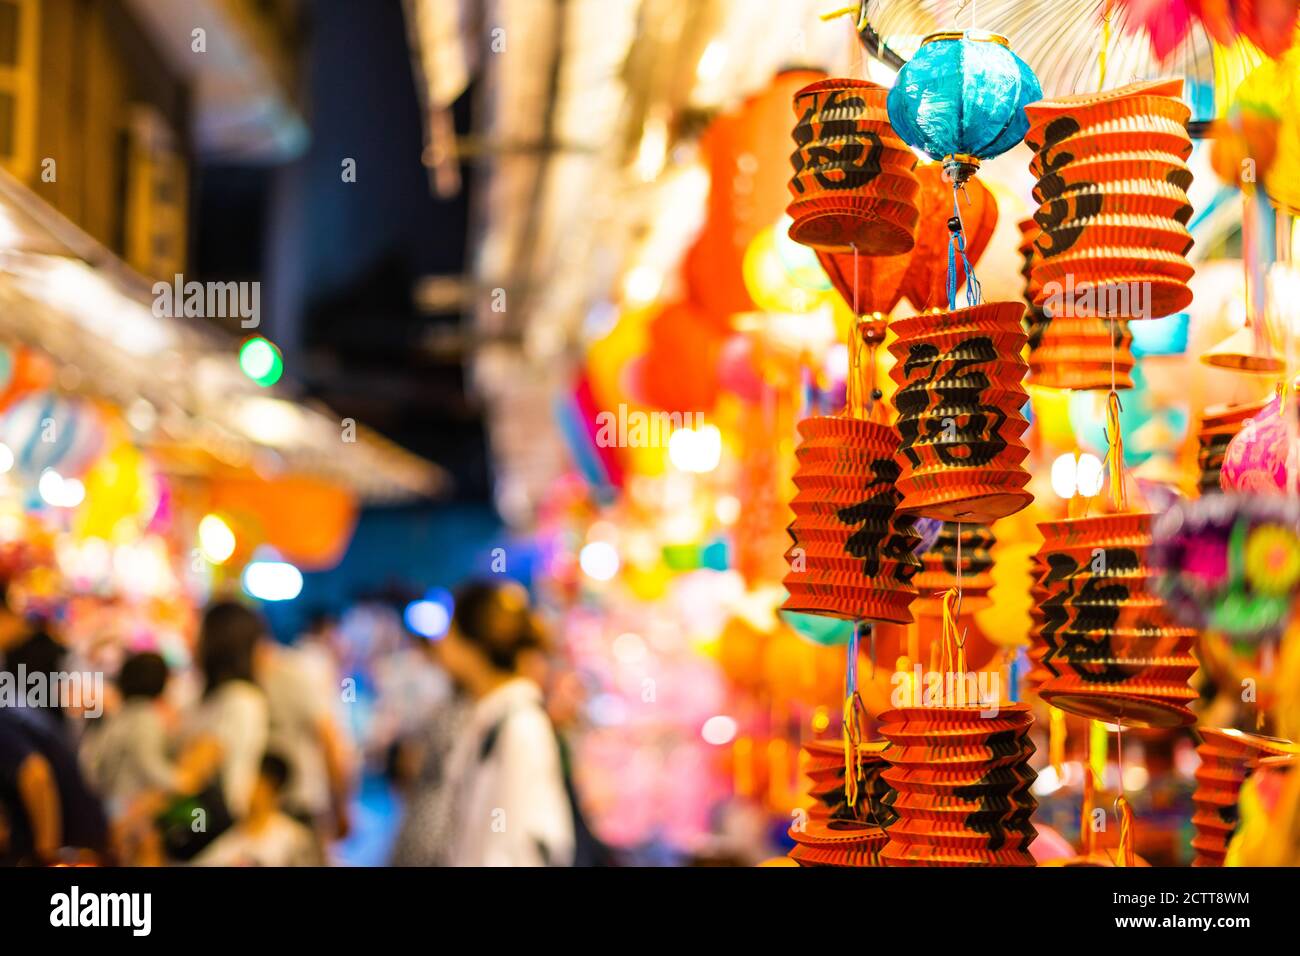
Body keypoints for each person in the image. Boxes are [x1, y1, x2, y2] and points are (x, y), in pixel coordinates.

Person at [436, 580, 573, 867]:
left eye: (449, 629)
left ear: (473, 642)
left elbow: (518, 844)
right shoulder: (493, 717)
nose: (440, 642)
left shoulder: (520, 725)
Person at [184, 602, 270, 820]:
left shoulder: (240, 699)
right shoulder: (216, 697)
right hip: (205, 828)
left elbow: (194, 769)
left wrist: (138, 813)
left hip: (211, 837)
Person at [0, 706, 108, 864]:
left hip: (73, 848)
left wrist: (45, 854)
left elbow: (35, 774)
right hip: (82, 836)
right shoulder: (13, 713)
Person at [80, 652, 182, 819]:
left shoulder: (120, 715)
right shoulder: (145, 718)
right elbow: (150, 766)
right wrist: (182, 781)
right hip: (129, 804)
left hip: (108, 802)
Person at [194, 753, 325, 866]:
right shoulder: (226, 843)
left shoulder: (295, 840)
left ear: (266, 785)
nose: (235, 786)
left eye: (243, 777)